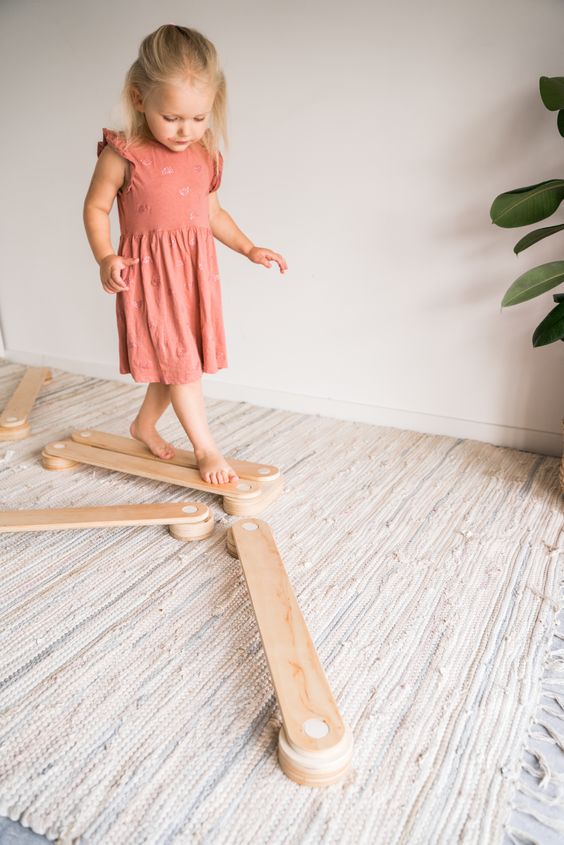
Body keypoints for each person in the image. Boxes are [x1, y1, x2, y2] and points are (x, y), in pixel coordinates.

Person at [83, 24, 287, 485]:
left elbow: (212, 212)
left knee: (177, 360)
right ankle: (206, 448)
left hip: (194, 277)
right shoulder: (124, 153)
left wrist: (248, 247)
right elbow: (95, 207)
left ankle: (144, 425)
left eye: (198, 118)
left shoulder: (205, 153)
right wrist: (103, 257)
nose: (186, 130)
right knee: (180, 362)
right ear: (140, 100)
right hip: (148, 278)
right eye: (173, 117)